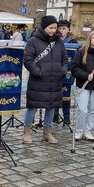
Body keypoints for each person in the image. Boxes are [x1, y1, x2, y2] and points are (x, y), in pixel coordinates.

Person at [22, 15, 68, 145]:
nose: (53, 30)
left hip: (55, 79)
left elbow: (65, 58)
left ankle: (47, 133)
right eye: (51, 27)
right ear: (44, 27)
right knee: (33, 107)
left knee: (51, 107)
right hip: (39, 79)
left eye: (55, 27)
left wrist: (63, 70)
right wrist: (38, 72)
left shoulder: (58, 41)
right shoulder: (33, 41)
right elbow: (28, 60)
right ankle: (27, 132)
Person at [55, 19, 78, 124]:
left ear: (68, 29)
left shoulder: (73, 40)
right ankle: (54, 116)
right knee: (55, 94)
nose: (61, 30)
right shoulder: (54, 38)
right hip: (55, 70)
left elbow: (76, 56)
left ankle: (66, 117)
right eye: (59, 28)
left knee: (66, 95)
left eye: (64, 28)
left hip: (68, 71)